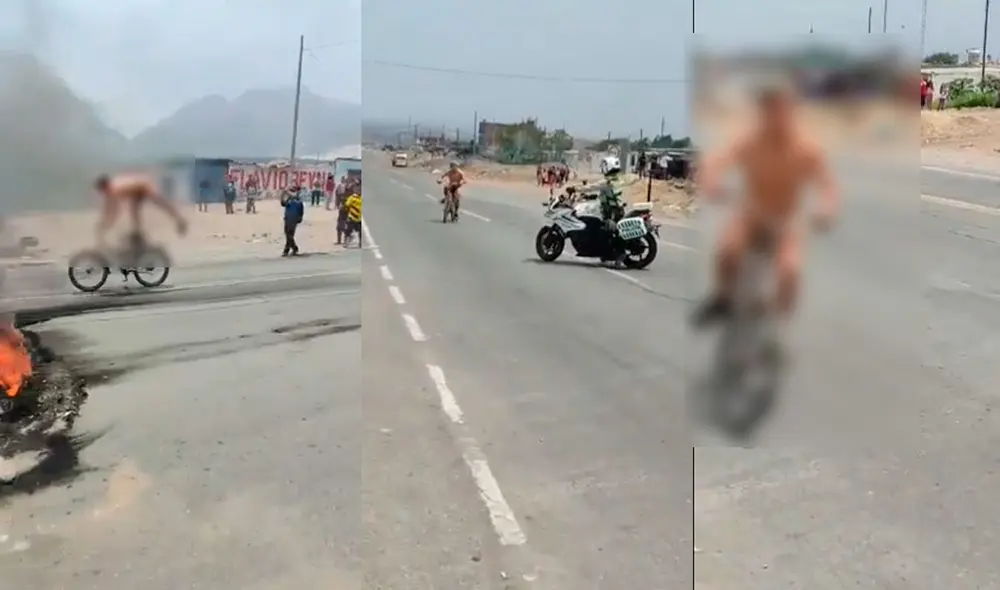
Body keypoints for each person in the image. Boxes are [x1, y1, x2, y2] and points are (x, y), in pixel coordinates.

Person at [691, 82, 837, 330]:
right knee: (728, 250)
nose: (776, 118)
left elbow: (828, 185)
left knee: (790, 272)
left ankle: (778, 326)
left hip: (786, 220)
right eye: (770, 111)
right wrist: (712, 182)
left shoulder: (805, 149)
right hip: (752, 215)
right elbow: (717, 161)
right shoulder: (751, 142)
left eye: (781, 111)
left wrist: (826, 208)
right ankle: (723, 298)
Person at [94, 173, 188, 252]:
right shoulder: (112, 189)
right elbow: (108, 207)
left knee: (161, 203)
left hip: (145, 186)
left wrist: (105, 225)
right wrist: (104, 223)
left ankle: (180, 220)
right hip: (136, 191)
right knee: (134, 211)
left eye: (101, 190)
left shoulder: (114, 189)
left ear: (104, 186)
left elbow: (114, 210)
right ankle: (138, 235)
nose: (102, 193)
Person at [280, 186, 304, 256]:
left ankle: (292, 248)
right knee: (288, 234)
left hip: (293, 219)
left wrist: (300, 218)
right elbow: (283, 203)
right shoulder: (289, 200)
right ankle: (289, 249)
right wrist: (282, 194)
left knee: (289, 234)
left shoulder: (298, 200)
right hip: (287, 218)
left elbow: (301, 211)